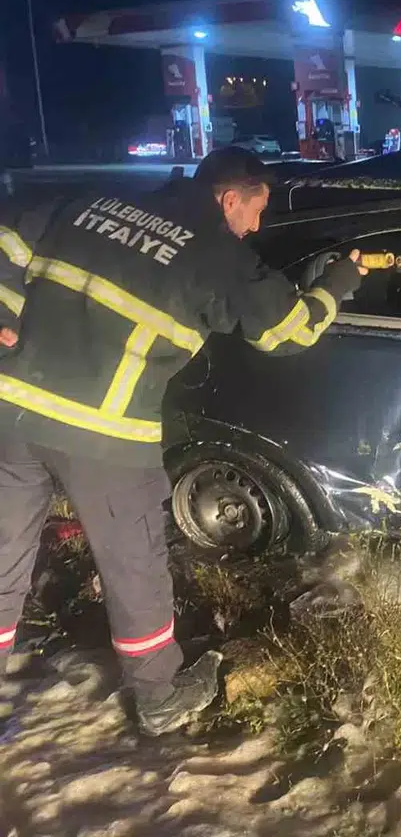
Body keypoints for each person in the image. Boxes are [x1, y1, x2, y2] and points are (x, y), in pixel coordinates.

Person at [0, 148, 365, 735]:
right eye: (256, 211)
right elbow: (288, 332)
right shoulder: (217, 255)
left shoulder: (93, 204)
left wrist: (7, 310)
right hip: (104, 434)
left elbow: (10, 235)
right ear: (229, 198)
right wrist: (339, 282)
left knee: (2, 553)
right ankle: (159, 694)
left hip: (12, 414)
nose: (257, 226)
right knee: (134, 565)